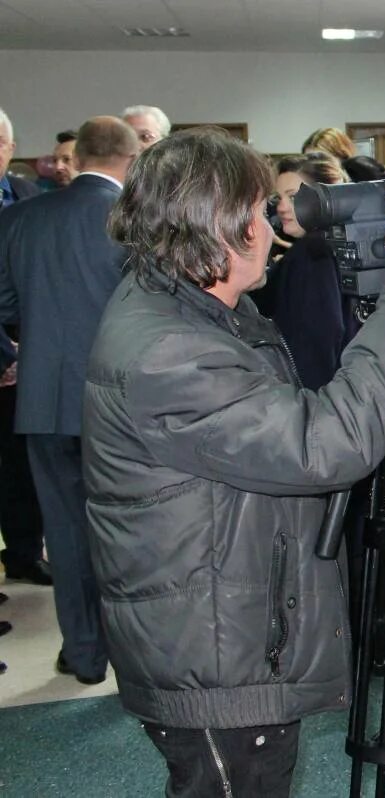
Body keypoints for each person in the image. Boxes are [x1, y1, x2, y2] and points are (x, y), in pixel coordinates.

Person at [83, 127, 385, 796]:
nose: (272, 223)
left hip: (223, 626)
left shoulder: (193, 310)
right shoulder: (171, 349)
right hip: (216, 656)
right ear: (220, 225)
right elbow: (325, 448)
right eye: (258, 209)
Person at [0, 116, 140, 683]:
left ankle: (83, 653)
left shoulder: (20, 217)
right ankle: (132, 647)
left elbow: (4, 303)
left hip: (44, 400)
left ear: (76, 157)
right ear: (131, 162)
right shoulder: (135, 222)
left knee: (64, 527)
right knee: (128, 527)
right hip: (122, 402)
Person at [0, 105, 47, 589]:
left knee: (20, 468)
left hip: (27, 360)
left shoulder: (31, 198)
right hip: (8, 354)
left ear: (11, 148)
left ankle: (24, 553)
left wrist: (20, 355)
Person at [262, 152, 353, 390]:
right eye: (278, 198)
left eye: (293, 197)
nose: (281, 208)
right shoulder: (339, 243)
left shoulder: (312, 253)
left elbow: (318, 340)